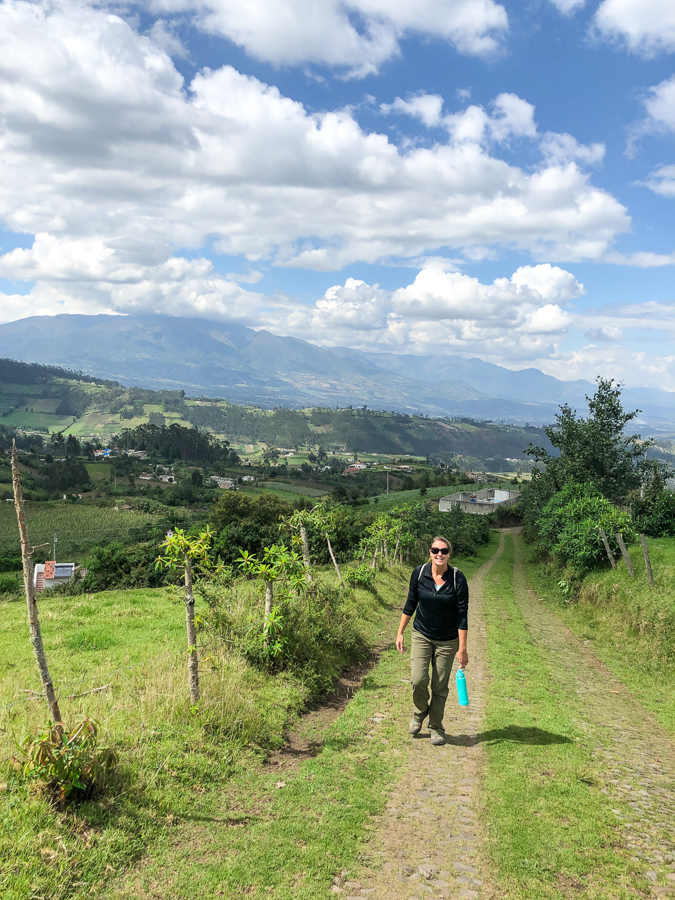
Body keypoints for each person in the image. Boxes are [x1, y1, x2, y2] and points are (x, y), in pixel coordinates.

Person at [396, 536, 469, 746]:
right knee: (418, 679)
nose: (439, 554)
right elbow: (411, 603)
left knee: (440, 686)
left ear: (449, 554)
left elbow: (462, 615)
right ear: (430, 552)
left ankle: (436, 727)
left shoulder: (457, 578)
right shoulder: (419, 573)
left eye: (444, 551)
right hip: (422, 634)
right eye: (435, 550)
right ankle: (419, 713)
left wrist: (462, 648)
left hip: (448, 640)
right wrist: (400, 632)